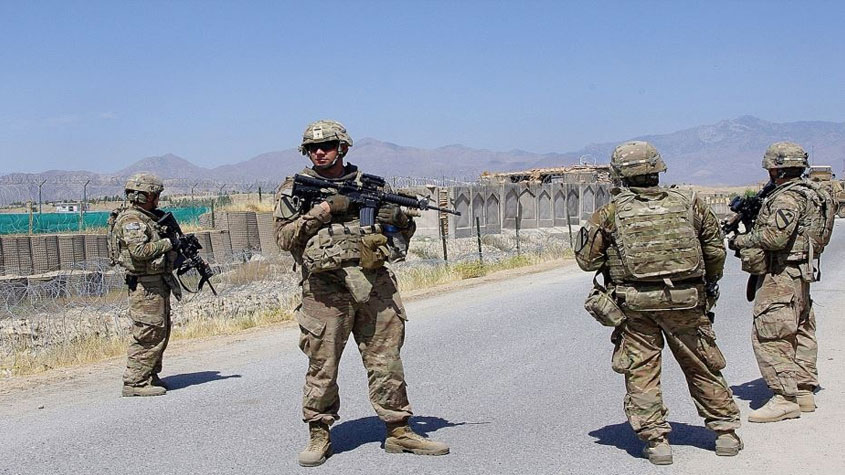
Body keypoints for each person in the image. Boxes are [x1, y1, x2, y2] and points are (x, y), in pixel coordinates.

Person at [273, 120, 449, 467]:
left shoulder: (372, 186)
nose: (319, 152)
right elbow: (283, 238)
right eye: (312, 148)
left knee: (386, 359)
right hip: (324, 289)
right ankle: (319, 433)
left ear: (343, 148)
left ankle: (398, 430)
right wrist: (324, 211)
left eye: (326, 146)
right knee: (322, 363)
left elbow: (399, 236)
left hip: (374, 284)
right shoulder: (294, 188)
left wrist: (399, 218)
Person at [574, 141, 742, 465]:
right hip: (686, 302)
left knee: (642, 371)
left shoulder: (610, 213)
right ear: (657, 169)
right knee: (701, 365)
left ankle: (656, 441)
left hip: (635, 307)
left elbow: (586, 261)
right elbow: (714, 251)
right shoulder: (691, 203)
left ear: (620, 175)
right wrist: (707, 284)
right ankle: (725, 433)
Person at [730, 142, 833, 422]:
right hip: (801, 272)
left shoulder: (787, 198)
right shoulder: (816, 193)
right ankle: (803, 391)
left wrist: (740, 240)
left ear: (778, 170)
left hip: (781, 274)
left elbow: (774, 238)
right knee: (800, 329)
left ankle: (784, 398)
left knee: (771, 334)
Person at [108, 173, 182, 397]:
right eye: (155, 195)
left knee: (160, 331)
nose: (157, 199)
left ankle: (149, 374)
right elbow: (139, 251)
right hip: (145, 286)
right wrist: (169, 243)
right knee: (148, 333)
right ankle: (135, 382)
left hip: (156, 284)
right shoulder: (132, 220)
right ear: (145, 196)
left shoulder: (147, 218)